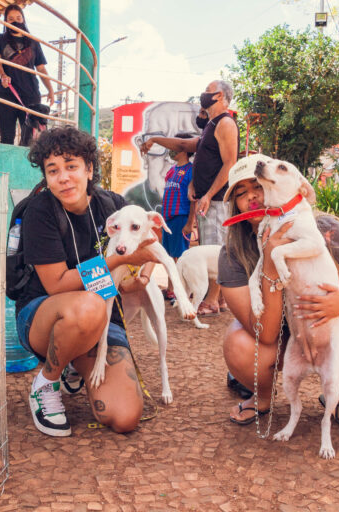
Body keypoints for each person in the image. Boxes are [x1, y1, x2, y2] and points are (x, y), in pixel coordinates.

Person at [219, 155, 339, 429]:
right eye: (242, 193)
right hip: (276, 333)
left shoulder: (326, 230)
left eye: (259, 184)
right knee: (240, 347)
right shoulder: (234, 251)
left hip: (328, 323)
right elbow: (266, 334)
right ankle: (263, 397)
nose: (253, 196)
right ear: (235, 206)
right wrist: (270, 257)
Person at [15, 126, 159, 437]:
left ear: (89, 168)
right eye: (52, 170)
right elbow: (57, 283)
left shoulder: (113, 206)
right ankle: (47, 382)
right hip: (44, 315)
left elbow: (144, 247)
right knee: (88, 305)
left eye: (71, 166)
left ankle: (71, 361)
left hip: (101, 320)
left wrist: (143, 272)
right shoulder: (40, 211)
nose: (63, 177)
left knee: (125, 417)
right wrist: (119, 260)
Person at [139, 79, 239, 314]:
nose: (204, 95)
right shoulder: (211, 126)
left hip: (216, 199)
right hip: (207, 197)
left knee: (216, 248)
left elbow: (229, 163)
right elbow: (184, 144)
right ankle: (220, 299)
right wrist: (155, 140)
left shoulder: (225, 123)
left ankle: (212, 300)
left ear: (222, 98)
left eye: (208, 92)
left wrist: (209, 194)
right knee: (211, 245)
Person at [0, 4, 55, 146]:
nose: (15, 21)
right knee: (7, 138)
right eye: (11, 19)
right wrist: (2, 75)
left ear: (24, 19)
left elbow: (41, 69)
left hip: (30, 94)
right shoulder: (0, 39)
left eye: (18, 18)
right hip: (6, 93)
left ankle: (25, 168)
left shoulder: (33, 42)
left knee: (29, 140)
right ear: (5, 21)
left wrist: (50, 89)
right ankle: (5, 169)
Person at [160, 133, 196, 300]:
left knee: (179, 257)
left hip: (180, 217)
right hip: (167, 219)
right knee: (168, 256)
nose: (170, 150)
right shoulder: (171, 171)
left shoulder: (191, 171)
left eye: (174, 147)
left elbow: (193, 200)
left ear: (185, 150)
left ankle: (181, 291)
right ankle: (170, 288)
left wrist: (190, 223)